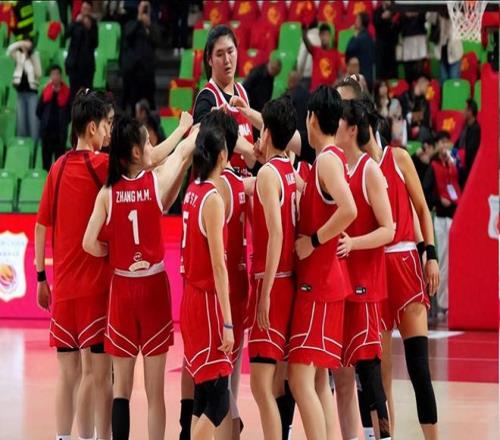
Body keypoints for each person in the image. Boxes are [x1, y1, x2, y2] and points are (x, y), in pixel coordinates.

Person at [82, 112, 195, 440]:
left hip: (122, 289)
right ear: (135, 152)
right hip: (153, 288)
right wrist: (189, 129)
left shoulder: (107, 193)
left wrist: (112, 252)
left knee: (122, 390)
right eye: (147, 143)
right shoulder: (155, 181)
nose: (150, 147)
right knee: (155, 393)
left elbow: (89, 243)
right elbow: (182, 153)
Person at [357, 93, 440, 440]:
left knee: (419, 366)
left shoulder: (399, 158)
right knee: (381, 371)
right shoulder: (357, 169)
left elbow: (422, 208)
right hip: (374, 266)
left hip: (405, 263)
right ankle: (385, 435)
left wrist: (430, 254)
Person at [35, 90, 113, 440]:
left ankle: (63, 438)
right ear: (92, 128)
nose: (109, 132)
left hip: (64, 291)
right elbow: (146, 163)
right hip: (96, 291)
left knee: (68, 375)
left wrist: (41, 276)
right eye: (107, 124)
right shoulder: (103, 165)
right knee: (97, 375)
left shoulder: (58, 167)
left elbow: (40, 226)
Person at [288, 85, 357, 440]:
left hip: (320, 284)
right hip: (326, 283)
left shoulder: (328, 160)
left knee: (299, 379)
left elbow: (349, 209)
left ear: (312, 118)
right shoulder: (326, 161)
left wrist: (313, 241)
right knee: (317, 381)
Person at [335, 99, 394, 440]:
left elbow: (388, 229)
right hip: (342, 284)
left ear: (352, 129)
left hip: (366, 285)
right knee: (349, 373)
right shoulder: (338, 166)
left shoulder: (370, 170)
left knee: (370, 369)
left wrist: (354, 244)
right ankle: (368, 435)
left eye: (340, 122)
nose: (335, 126)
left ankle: (385, 436)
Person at [247, 96, 297, 440]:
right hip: (288, 280)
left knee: (260, 385)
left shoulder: (267, 174)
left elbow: (276, 233)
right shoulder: (288, 169)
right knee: (278, 382)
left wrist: (263, 294)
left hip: (273, 282)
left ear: (266, 132)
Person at [180, 125, 235, 440]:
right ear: (222, 155)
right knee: (218, 400)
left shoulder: (192, 191)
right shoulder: (212, 199)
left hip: (191, 298)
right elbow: (218, 266)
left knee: (203, 394)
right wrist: (227, 322)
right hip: (206, 303)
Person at [192, 24, 256, 175]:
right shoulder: (207, 98)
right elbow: (201, 141)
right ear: (210, 60)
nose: (227, 60)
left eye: (230, 51)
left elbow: (251, 160)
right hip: (216, 186)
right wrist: (249, 149)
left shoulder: (242, 92)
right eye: (219, 54)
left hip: (241, 185)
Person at [424, 130, 460, 315]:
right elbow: (426, 192)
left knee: (456, 261)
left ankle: (455, 301)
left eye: (448, 142)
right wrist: (439, 201)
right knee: (444, 261)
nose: (446, 146)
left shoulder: (453, 164)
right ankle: (444, 303)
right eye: (443, 142)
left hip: (456, 217)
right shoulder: (433, 166)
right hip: (441, 217)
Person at [121, 1, 160, 114]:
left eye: (147, 8)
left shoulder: (152, 24)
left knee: (150, 101)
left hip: (148, 69)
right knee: (133, 101)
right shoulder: (131, 23)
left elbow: (157, 40)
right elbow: (127, 35)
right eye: (143, 7)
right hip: (134, 69)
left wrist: (149, 26)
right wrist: (139, 20)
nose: (145, 10)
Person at [36, 65, 71, 171]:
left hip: (60, 134)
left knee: (59, 165)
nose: (55, 77)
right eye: (53, 74)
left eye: (57, 74)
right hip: (47, 133)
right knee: (46, 165)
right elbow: (38, 111)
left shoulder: (67, 92)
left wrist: (64, 123)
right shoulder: (45, 91)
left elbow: (70, 113)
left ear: (61, 76)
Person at [7, 38, 41, 138]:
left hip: (32, 94)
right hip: (20, 93)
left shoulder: (34, 56)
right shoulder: (18, 56)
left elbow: (39, 73)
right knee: (21, 124)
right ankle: (23, 143)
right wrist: (20, 43)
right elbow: (9, 50)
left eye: (27, 43)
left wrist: (30, 60)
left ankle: (34, 145)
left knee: (33, 123)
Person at [65, 0, 98, 103]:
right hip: (74, 65)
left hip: (87, 66)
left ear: (90, 11)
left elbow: (95, 43)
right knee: (74, 94)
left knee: (87, 95)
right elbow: (66, 34)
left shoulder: (93, 24)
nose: (85, 11)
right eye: (83, 9)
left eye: (87, 9)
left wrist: (89, 29)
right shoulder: (76, 22)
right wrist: (75, 22)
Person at [301, 23, 343, 91]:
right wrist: (304, 30)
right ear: (319, 36)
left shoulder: (336, 54)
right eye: (322, 35)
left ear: (329, 36)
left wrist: (335, 84)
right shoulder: (315, 51)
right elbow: (305, 40)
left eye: (326, 35)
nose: (324, 37)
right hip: (315, 91)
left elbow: (341, 76)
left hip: (329, 92)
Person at [428, 11, 463, 85]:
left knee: (454, 78)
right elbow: (429, 17)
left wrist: (451, 14)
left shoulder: (456, 13)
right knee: (443, 79)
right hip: (442, 52)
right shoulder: (438, 15)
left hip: (455, 53)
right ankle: (443, 92)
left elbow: (460, 23)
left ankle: (454, 93)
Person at [346, 12, 376, 91]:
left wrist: (353, 36)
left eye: (357, 19)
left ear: (360, 22)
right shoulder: (370, 38)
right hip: (370, 76)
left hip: (359, 77)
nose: (355, 22)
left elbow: (349, 51)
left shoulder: (358, 39)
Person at [399, 75, 431, 142]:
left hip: (419, 130)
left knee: (424, 130)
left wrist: (418, 127)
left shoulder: (424, 102)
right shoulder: (404, 97)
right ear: (421, 83)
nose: (427, 88)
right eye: (427, 86)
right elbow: (401, 115)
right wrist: (411, 117)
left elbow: (426, 120)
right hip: (404, 127)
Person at [399, 12, 428, 85]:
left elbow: (425, 17)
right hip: (407, 40)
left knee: (420, 70)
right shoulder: (402, 11)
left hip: (420, 40)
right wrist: (406, 14)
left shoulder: (421, 11)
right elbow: (400, 23)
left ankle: (420, 88)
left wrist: (417, 13)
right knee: (408, 70)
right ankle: (409, 88)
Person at [457, 98, 481, 185]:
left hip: (467, 167)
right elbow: (458, 143)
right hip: (459, 158)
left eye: (465, 109)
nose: (463, 111)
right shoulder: (466, 126)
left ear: (470, 112)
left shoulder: (475, 129)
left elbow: (471, 152)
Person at [373, 1, 399, 79]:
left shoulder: (395, 10)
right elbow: (376, 23)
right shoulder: (378, 11)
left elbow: (398, 27)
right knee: (380, 69)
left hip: (391, 45)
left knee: (391, 70)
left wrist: (392, 18)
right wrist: (382, 17)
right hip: (380, 44)